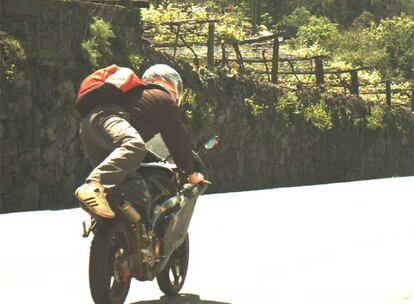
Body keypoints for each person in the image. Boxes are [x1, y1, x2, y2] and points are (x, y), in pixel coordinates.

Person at [74, 64, 205, 218]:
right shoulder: (162, 98)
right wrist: (191, 172)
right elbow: (178, 140)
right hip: (109, 119)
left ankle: (109, 229)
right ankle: (94, 186)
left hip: (88, 126)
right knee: (134, 146)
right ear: (174, 88)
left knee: (120, 184)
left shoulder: (138, 95)